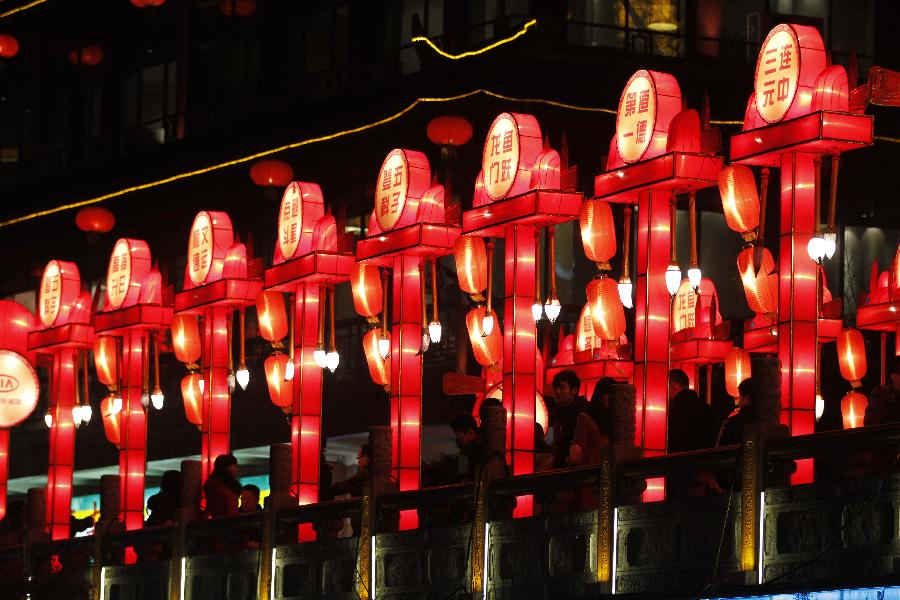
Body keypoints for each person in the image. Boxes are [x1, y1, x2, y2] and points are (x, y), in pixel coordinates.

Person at [668, 369, 715, 453]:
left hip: (678, 460)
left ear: (674, 385)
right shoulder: (706, 408)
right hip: (705, 459)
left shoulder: (674, 410)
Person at [550, 370, 587, 467]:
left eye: (562, 387)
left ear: (574, 390)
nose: (557, 392)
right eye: (555, 388)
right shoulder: (559, 413)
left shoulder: (583, 412)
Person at [717, 378, 758, 447]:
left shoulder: (733, 422)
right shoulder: (767, 418)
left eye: (740, 397)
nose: (738, 402)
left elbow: (721, 450)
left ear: (747, 398)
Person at [203, 454, 241, 519]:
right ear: (225, 467)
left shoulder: (218, 484)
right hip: (225, 524)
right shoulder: (219, 487)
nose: (236, 469)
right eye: (234, 466)